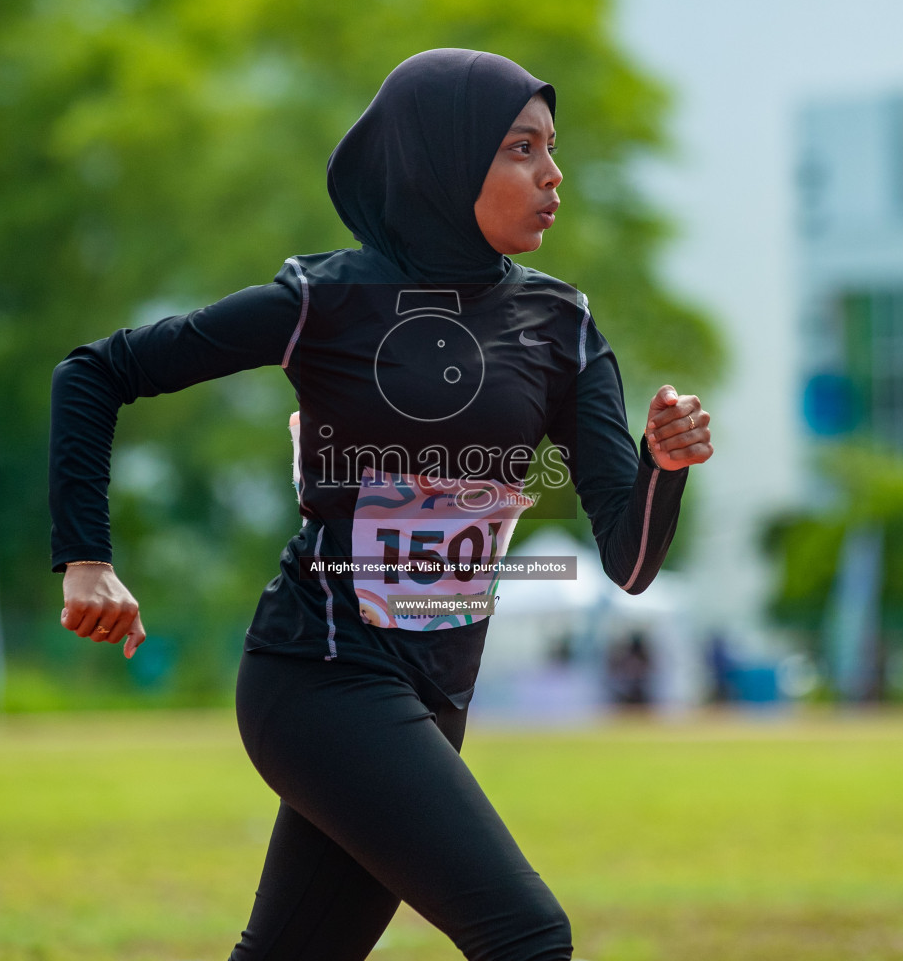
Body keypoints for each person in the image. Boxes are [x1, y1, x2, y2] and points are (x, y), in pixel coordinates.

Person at [48, 48, 713, 961]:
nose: (555, 175)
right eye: (521, 149)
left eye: (553, 149)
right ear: (441, 161)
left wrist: (664, 463)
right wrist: (86, 557)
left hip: (437, 688)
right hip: (318, 677)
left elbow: (630, 564)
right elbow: (96, 372)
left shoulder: (563, 325)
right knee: (526, 936)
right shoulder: (327, 300)